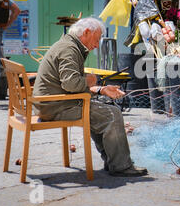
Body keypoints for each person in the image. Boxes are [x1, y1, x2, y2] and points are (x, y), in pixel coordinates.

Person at [32, 17, 148, 177]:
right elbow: (71, 84)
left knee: (103, 112)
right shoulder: (69, 49)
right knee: (112, 114)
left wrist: (101, 89)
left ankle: (112, 161)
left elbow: (70, 84)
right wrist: (88, 80)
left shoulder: (69, 45)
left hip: (51, 103)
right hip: (54, 107)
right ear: (86, 32)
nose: (96, 44)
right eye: (97, 38)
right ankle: (121, 166)